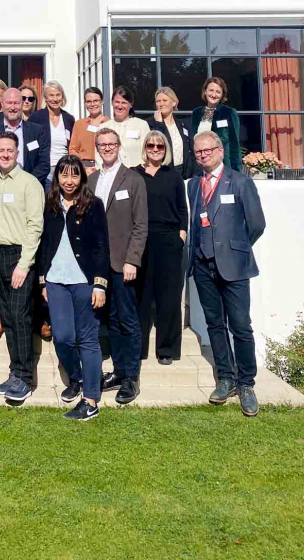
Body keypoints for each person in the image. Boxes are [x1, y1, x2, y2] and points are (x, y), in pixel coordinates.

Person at [188, 130, 266, 417]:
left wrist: (234, 247)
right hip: (202, 265)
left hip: (233, 265)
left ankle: (246, 384)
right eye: (198, 152)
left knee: (241, 327)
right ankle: (226, 378)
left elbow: (256, 224)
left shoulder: (240, 181)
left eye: (208, 150)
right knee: (215, 325)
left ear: (220, 150)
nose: (203, 155)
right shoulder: (194, 186)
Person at [40, 155, 109, 421]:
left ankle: (90, 400)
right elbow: (45, 242)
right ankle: (78, 377)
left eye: (74, 175)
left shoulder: (93, 205)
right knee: (63, 337)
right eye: (64, 175)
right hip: (56, 281)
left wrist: (100, 285)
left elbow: (102, 247)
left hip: (84, 281)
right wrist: (43, 280)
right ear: (57, 177)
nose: (69, 181)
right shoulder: (50, 204)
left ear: (82, 178)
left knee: (88, 339)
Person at [0, 131, 45, 403]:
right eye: (1, 150)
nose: (6, 154)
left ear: (17, 153)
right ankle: (14, 372)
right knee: (7, 317)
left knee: (20, 317)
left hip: (20, 256)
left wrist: (24, 264)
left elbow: (35, 226)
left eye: (10, 150)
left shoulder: (30, 184)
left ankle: (26, 378)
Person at [88, 128, 148, 405]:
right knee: (110, 320)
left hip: (123, 263)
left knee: (128, 320)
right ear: (97, 148)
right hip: (99, 264)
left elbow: (140, 225)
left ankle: (131, 378)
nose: (107, 148)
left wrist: (132, 260)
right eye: (102, 144)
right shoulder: (90, 181)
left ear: (119, 145)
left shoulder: (133, 180)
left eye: (111, 144)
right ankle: (119, 369)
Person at [135, 129, 188, 365]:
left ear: (166, 150)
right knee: (140, 295)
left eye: (160, 147)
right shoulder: (134, 175)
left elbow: (182, 210)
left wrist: (182, 235)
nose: (155, 150)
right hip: (141, 238)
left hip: (168, 239)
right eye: (151, 146)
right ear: (144, 148)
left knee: (168, 295)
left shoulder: (173, 176)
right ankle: (138, 348)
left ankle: (167, 349)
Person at [0, 88, 50, 186]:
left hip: (30, 188)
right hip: (0, 188)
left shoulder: (38, 131)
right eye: (9, 103)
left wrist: (26, 183)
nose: (12, 107)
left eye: (16, 103)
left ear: (22, 104)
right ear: (2, 104)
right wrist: (6, 182)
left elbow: (44, 164)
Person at [30, 80, 75, 189]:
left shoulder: (69, 119)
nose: (55, 99)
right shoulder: (36, 118)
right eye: (51, 95)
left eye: (58, 95)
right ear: (45, 98)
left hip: (64, 170)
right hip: (44, 170)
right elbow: (30, 145)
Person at [191, 77, 242, 172]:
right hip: (200, 166)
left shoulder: (229, 112)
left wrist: (237, 171)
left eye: (218, 92)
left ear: (222, 95)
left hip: (222, 165)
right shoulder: (196, 113)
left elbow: (234, 144)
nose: (214, 95)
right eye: (211, 90)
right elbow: (192, 142)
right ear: (205, 91)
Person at [148, 86, 196, 179]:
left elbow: (191, 150)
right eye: (158, 101)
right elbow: (157, 146)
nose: (161, 104)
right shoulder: (150, 124)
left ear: (174, 102)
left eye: (164, 100)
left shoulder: (182, 124)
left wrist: (192, 174)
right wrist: (159, 124)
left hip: (184, 174)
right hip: (162, 174)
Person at [68, 87, 111, 173]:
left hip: (105, 166)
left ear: (102, 102)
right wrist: (83, 167)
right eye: (89, 101)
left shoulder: (110, 124)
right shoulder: (79, 124)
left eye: (96, 101)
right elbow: (73, 149)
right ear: (85, 104)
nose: (92, 104)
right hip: (83, 167)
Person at [106, 86, 151, 168]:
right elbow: (99, 157)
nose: (120, 106)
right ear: (112, 102)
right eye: (117, 102)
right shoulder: (104, 127)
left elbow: (148, 153)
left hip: (137, 176)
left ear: (131, 104)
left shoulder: (141, 125)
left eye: (124, 103)